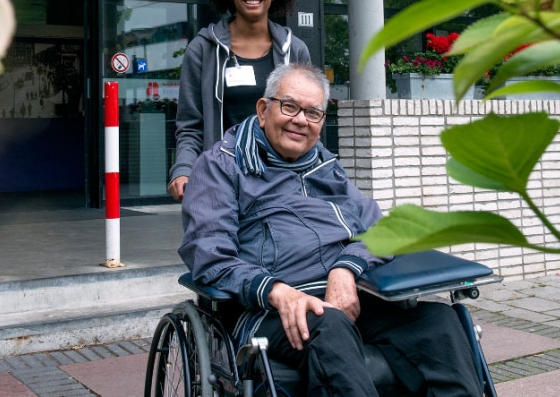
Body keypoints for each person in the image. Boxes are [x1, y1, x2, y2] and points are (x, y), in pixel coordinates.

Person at [179, 63, 483, 396]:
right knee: (329, 324)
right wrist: (279, 292)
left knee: (438, 323)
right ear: (264, 109)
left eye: (313, 113)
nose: (300, 120)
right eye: (290, 106)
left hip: (346, 297)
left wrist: (345, 269)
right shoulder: (221, 165)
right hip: (269, 308)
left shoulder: (325, 165)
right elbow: (211, 256)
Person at [168, 0, 311, 201]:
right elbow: (190, 125)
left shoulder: (296, 51)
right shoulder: (202, 50)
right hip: (222, 182)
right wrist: (184, 169)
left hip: (282, 182)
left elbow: (309, 121)